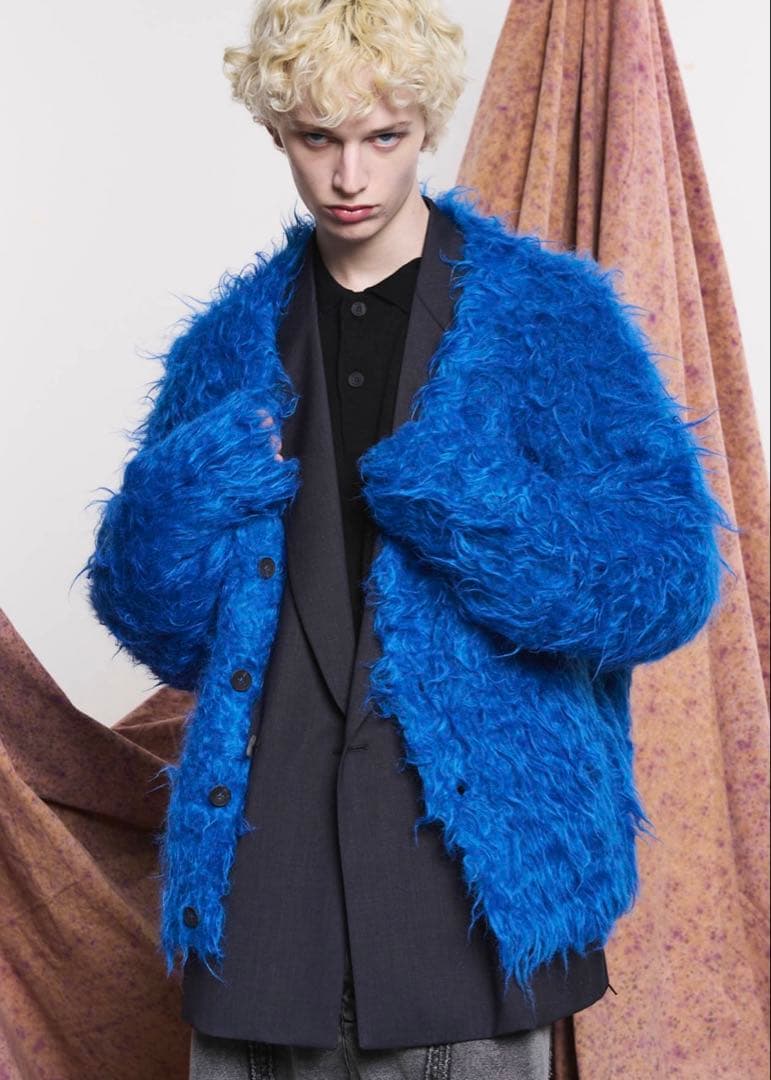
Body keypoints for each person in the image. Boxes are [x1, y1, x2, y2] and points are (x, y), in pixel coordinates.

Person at [80, 1, 735, 1077]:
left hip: (466, 897)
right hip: (265, 904)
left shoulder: (547, 318)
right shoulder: (225, 348)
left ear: (426, 125)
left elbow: (665, 579)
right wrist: (182, 498)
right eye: (318, 139)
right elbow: (164, 631)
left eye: (382, 137)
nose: (350, 176)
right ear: (276, 133)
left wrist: (462, 501)